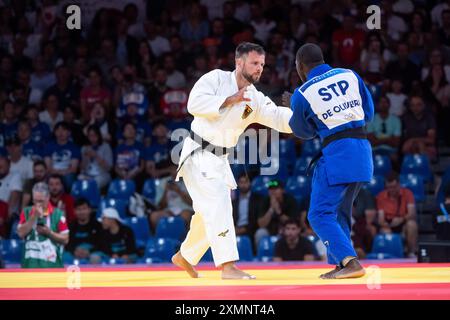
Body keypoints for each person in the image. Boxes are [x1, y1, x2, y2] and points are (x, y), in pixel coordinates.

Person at [172, 42, 293, 280]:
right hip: (198, 152)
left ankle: (185, 256)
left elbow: (278, 117)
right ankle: (227, 266)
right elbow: (193, 104)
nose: (259, 69)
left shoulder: (254, 98)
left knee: (208, 212)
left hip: (219, 159)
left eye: (262, 65)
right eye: (255, 63)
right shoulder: (215, 79)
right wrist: (229, 99)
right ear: (239, 62)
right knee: (219, 203)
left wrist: (302, 114)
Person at [288, 43, 374, 279]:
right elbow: (368, 113)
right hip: (362, 151)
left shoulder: (303, 93)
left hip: (338, 155)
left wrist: (292, 107)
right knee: (340, 212)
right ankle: (341, 263)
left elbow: (303, 132)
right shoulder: (349, 75)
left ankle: (351, 262)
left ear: (300, 66)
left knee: (318, 214)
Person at [17, 182, 69, 268]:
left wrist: (50, 233)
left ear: (48, 197)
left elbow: (65, 239)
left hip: (52, 267)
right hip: (29, 267)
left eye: (41, 201)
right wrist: (34, 216)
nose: (38, 204)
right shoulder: (26, 212)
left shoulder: (58, 214)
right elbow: (20, 233)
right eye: (35, 201)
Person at [376, 171, 418, 257]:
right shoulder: (381, 196)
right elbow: (380, 220)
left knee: (412, 224)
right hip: (388, 224)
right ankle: (392, 255)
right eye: (389, 187)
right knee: (385, 231)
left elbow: (412, 214)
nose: (391, 190)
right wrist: (388, 226)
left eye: (394, 187)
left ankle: (411, 253)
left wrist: (401, 220)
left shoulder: (408, 193)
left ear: (399, 184)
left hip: (403, 222)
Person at [255, 179, 299, 246]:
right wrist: (271, 209)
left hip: (285, 230)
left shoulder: (290, 200)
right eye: (270, 189)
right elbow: (261, 224)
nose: (273, 191)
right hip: (269, 229)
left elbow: (292, 223)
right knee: (260, 233)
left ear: (282, 190)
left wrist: (278, 211)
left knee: (288, 232)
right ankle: (262, 255)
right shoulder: (265, 201)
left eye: (276, 189)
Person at [66, 198, 104, 263]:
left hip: (93, 252)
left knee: (95, 258)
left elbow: (102, 244)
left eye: (84, 209)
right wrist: (74, 251)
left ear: (90, 210)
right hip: (74, 253)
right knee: (65, 257)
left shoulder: (98, 226)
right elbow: (67, 243)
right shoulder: (70, 226)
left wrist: (89, 251)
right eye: (79, 209)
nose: (82, 212)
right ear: (74, 211)